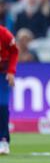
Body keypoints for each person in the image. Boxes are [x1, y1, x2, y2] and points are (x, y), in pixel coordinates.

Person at [0, 25, 18, 155]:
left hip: (2, 74)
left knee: (2, 106)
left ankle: (3, 140)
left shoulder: (4, 33)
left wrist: (11, 71)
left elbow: (14, 51)